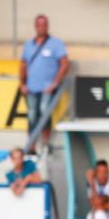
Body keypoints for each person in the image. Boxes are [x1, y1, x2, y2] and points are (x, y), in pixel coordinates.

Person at [19, 14, 69, 153]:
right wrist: (22, 83)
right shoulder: (29, 44)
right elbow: (23, 65)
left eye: (44, 24)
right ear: (35, 26)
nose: (42, 27)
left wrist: (55, 83)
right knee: (31, 116)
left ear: (48, 26)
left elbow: (64, 64)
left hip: (47, 88)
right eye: (39, 24)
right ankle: (32, 146)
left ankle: (46, 144)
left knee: (44, 114)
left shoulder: (55, 43)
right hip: (31, 88)